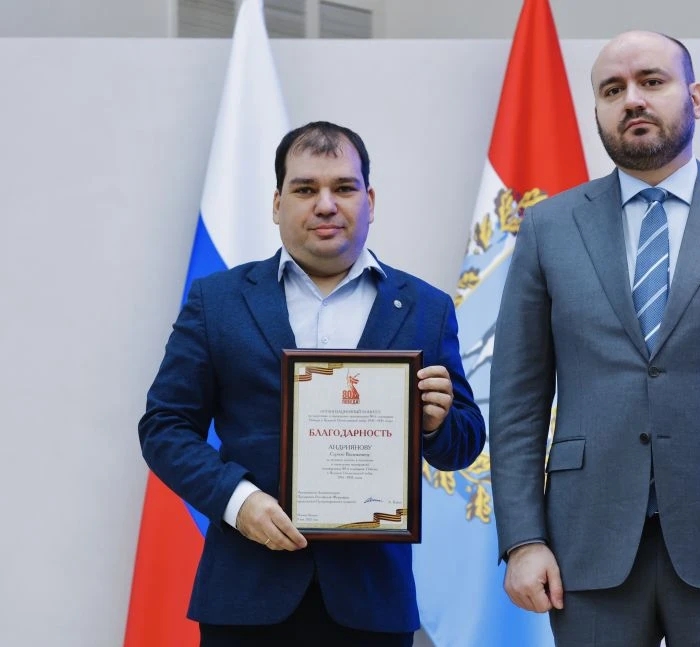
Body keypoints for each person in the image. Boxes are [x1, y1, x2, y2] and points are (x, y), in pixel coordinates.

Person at [490, 31, 700, 646]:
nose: (632, 99)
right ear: (597, 110)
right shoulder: (547, 227)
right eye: (612, 90)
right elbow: (517, 402)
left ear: (695, 98)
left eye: (652, 81)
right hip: (586, 544)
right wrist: (523, 539)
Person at [139, 121, 486, 646]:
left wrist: (438, 425)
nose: (326, 205)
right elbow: (164, 427)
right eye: (305, 189)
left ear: (370, 200)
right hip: (246, 597)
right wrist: (237, 501)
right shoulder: (218, 301)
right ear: (277, 204)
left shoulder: (426, 308)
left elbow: (465, 441)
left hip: (372, 604)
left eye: (343, 187)